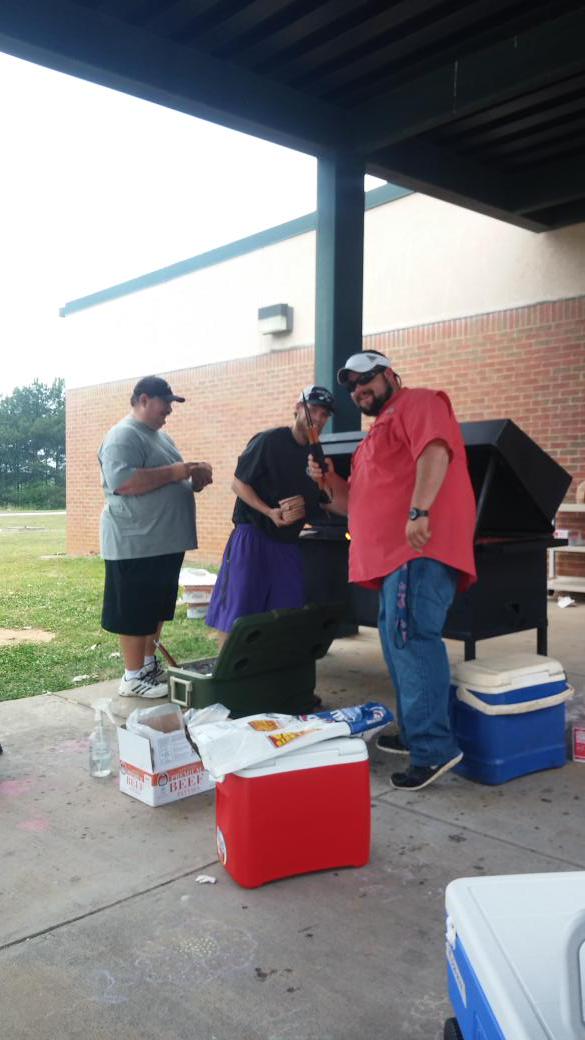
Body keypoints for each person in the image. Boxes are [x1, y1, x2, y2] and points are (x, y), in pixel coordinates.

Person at [307, 351, 476, 791]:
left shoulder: (418, 402)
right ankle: (417, 730)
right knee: (398, 641)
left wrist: (419, 510)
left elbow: (435, 451)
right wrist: (327, 480)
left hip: (416, 549)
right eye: (351, 386)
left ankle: (434, 747)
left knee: (413, 639)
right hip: (391, 560)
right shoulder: (373, 437)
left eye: (366, 378)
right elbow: (351, 505)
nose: (358, 389)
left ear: (389, 375)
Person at [99, 375, 213, 698]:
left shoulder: (161, 438)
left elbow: (169, 481)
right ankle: (132, 675)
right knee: (135, 611)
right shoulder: (123, 435)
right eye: (166, 403)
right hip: (135, 542)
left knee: (155, 609)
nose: (170, 411)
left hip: (163, 542)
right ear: (145, 399)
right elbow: (123, 481)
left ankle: (148, 666)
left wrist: (194, 480)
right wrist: (180, 471)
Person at [205, 384, 335, 641]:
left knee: (286, 611)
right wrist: (269, 511)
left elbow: (325, 499)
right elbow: (238, 484)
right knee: (239, 610)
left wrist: (322, 481)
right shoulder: (269, 440)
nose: (318, 419)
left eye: (324, 415)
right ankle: (228, 672)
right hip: (253, 534)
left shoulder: (315, 453)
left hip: (287, 543)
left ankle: (271, 670)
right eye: (314, 411)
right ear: (298, 409)